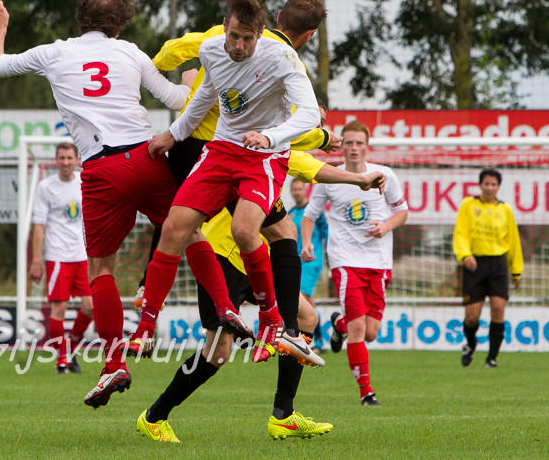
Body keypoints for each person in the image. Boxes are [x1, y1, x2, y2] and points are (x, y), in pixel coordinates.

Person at [0, 0, 196, 408]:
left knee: (102, 268)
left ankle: (113, 361)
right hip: (147, 157)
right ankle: (228, 308)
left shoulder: (55, 52)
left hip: (102, 168)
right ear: (121, 20)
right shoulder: (131, 52)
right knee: (190, 234)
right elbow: (177, 99)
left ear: (81, 15)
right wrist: (194, 81)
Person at [136, 152, 386, 443]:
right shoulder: (249, 148)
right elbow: (313, 168)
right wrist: (359, 178)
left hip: (258, 258)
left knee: (307, 317)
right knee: (217, 353)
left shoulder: (278, 146)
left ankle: (283, 415)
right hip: (222, 259)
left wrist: (352, 171)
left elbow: (311, 164)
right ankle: (154, 417)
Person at [137, 0, 321, 363]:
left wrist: (269, 136)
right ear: (225, 27)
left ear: (261, 33)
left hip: (263, 157)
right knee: (172, 228)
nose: (239, 46)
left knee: (244, 230)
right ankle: (144, 327)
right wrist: (173, 134)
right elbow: (204, 95)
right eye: (234, 36)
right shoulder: (211, 49)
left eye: (247, 39)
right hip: (221, 150)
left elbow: (310, 115)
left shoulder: (282, 58)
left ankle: (271, 318)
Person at [300, 120, 408, 406]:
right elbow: (310, 215)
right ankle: (366, 393)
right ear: (342, 146)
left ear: (367, 147)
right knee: (359, 329)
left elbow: (402, 211)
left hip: (379, 262)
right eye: (348, 142)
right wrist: (307, 242)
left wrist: (385, 227)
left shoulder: (384, 175)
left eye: (359, 143)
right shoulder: (330, 177)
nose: (354, 148)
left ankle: (340, 325)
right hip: (345, 261)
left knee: (370, 333)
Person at [29, 142, 93, 374]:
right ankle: (61, 360)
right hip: (57, 257)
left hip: (82, 256)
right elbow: (38, 225)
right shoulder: (46, 187)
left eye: (69, 158)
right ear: (56, 160)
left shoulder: (84, 182)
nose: (65, 162)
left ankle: (71, 346)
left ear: (77, 160)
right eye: (62, 158)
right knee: (59, 308)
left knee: (90, 307)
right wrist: (36, 260)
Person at [453, 168, 523, 369]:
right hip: (474, 264)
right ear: (480, 185)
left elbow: (513, 241)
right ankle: (471, 344)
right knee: (472, 317)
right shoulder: (468, 205)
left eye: (494, 184)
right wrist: (465, 255)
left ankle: (491, 359)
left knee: (498, 310)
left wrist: (516, 270)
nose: (490, 188)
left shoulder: (505, 210)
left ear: (498, 187)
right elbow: (460, 233)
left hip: (498, 265)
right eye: (487, 184)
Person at [290, 178, 328, 347]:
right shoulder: (291, 213)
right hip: (296, 263)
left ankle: (304, 342)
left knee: (300, 299)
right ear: (291, 192)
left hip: (312, 261)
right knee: (308, 302)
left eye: (300, 189)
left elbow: (327, 232)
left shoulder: (314, 211)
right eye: (294, 189)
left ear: (305, 190)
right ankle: (318, 341)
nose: (297, 192)